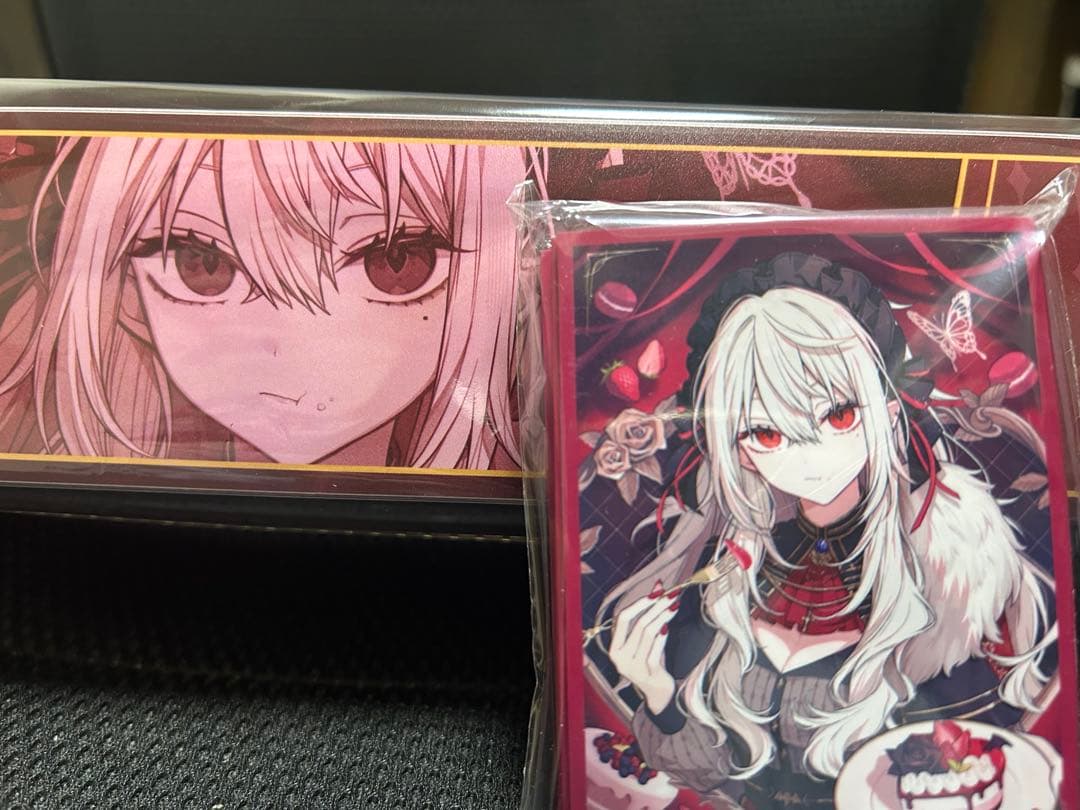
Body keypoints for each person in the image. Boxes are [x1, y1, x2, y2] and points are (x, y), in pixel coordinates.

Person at [598, 254, 1053, 808]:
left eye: (838, 417)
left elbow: (968, 763)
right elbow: (714, 778)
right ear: (739, 448)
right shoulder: (728, 570)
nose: (810, 456)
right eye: (766, 433)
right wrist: (660, 694)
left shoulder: (949, 568)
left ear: (888, 413)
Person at [0, 137, 531, 470]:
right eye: (203, 264)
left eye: (394, 261)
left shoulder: (533, 465)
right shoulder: (54, 459)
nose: (295, 367)